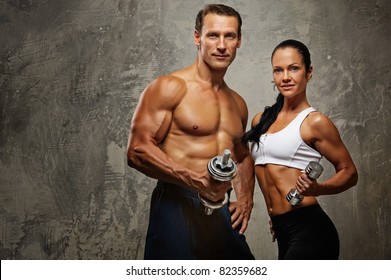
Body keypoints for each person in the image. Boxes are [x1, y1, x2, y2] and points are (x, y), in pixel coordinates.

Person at [127, 4, 255, 260]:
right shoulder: (170, 87)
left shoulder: (237, 103)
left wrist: (244, 198)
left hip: (219, 209)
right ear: (197, 37)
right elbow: (137, 150)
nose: (221, 45)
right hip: (176, 202)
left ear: (239, 41)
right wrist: (194, 180)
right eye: (212, 35)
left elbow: (241, 156)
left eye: (229, 36)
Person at [243, 39, 358, 260]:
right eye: (278, 70)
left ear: (309, 72)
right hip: (282, 229)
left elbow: (350, 172)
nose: (285, 77)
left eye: (293, 68)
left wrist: (318, 189)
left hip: (311, 230)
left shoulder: (314, 122)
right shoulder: (261, 121)